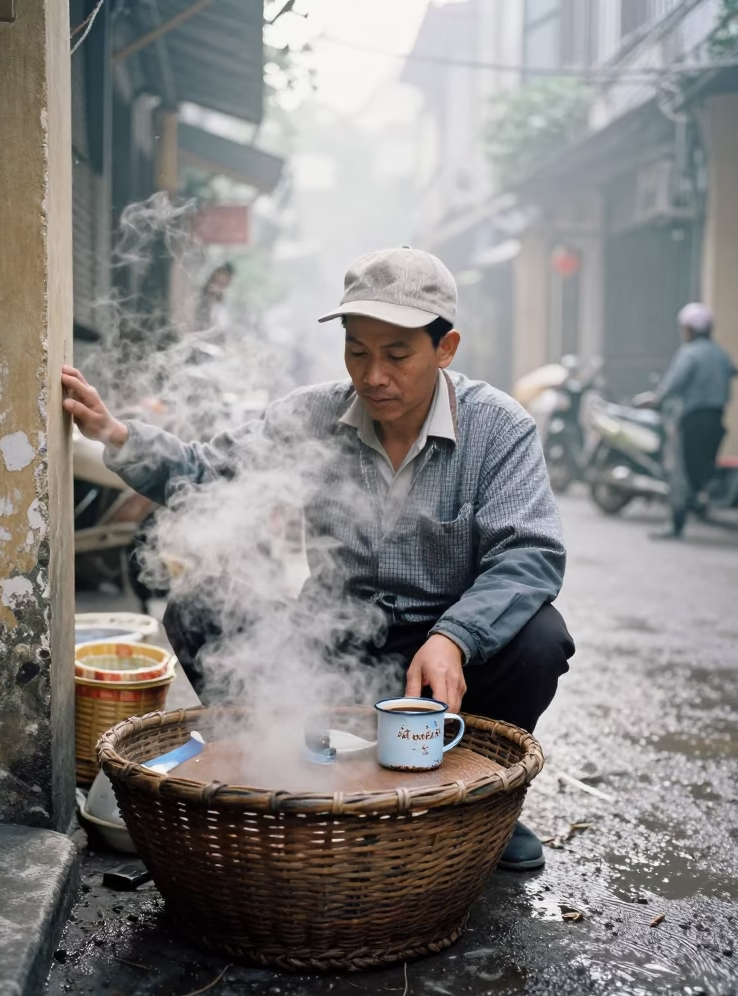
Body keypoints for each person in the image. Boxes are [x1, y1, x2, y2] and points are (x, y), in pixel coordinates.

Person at [62, 247, 575, 870]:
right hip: (334, 636)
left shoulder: (499, 429)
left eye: (396, 354)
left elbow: (529, 553)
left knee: (541, 637)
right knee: (199, 603)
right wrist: (116, 436)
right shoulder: (311, 414)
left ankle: (485, 802)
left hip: (444, 667)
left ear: (446, 349)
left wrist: (456, 637)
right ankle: (279, 777)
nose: (374, 375)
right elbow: (208, 473)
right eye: (357, 351)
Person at [645, 302, 738, 540]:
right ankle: (701, 502)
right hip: (717, 418)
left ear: (689, 329)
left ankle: (675, 525)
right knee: (703, 467)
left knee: (680, 473)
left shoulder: (689, 353)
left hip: (693, 418)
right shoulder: (720, 353)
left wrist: (656, 398)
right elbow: (733, 371)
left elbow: (673, 384)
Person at [194, 261, 235, 333]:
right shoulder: (205, 292)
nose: (228, 280)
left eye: (230, 278)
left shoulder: (222, 296)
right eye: (226, 276)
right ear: (216, 274)